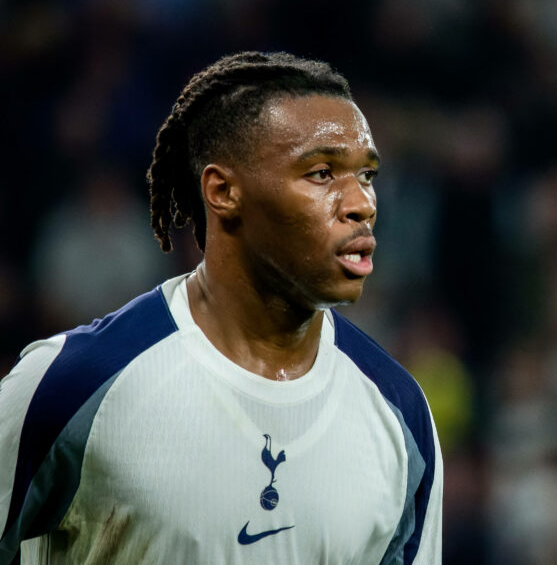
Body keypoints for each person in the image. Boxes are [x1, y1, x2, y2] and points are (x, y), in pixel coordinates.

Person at [0, 52, 442, 564]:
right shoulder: (73, 385)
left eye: (366, 175)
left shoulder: (399, 414)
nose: (361, 203)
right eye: (322, 173)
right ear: (223, 190)